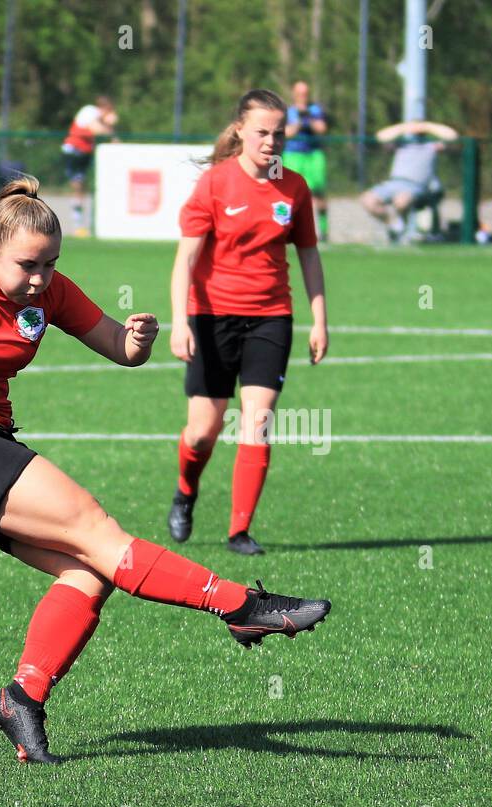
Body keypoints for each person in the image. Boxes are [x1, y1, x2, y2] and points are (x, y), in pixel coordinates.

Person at [0, 176, 331, 764]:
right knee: (97, 530)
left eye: (51, 264)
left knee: (88, 572)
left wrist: (139, 339)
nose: (40, 278)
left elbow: (120, 350)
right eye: (28, 265)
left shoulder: (46, 292)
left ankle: (20, 697)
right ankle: (240, 607)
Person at [167, 89, 329, 556]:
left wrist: (319, 320)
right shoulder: (215, 185)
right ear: (240, 129)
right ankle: (186, 491)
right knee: (202, 430)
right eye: (262, 131)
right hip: (211, 316)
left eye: (279, 133)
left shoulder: (294, 188)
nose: (271, 141)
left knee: (256, 423)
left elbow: (310, 256)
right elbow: (186, 260)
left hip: (271, 318)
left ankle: (239, 531)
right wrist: (181, 322)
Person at [360, 119, 459, 242]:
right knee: (367, 199)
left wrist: (426, 126)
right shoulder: (402, 144)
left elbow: (452, 136)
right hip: (394, 182)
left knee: (401, 200)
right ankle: (392, 223)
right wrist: (404, 127)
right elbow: (381, 136)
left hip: (416, 186)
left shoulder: (432, 146)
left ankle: (401, 231)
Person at [60, 96, 118, 236]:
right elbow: (97, 130)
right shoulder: (90, 111)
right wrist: (109, 125)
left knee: (82, 188)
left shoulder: (98, 117)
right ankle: (77, 224)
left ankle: (80, 224)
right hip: (74, 151)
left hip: (85, 153)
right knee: (78, 186)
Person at [283, 81, 329, 240]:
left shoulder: (315, 110)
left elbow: (322, 129)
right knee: (290, 194)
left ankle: (323, 230)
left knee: (318, 192)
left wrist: (308, 117)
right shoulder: (288, 112)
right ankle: (288, 229)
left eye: (305, 93)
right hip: (293, 155)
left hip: (313, 155)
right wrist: (297, 125)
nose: (303, 96)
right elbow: (286, 133)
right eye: (300, 93)